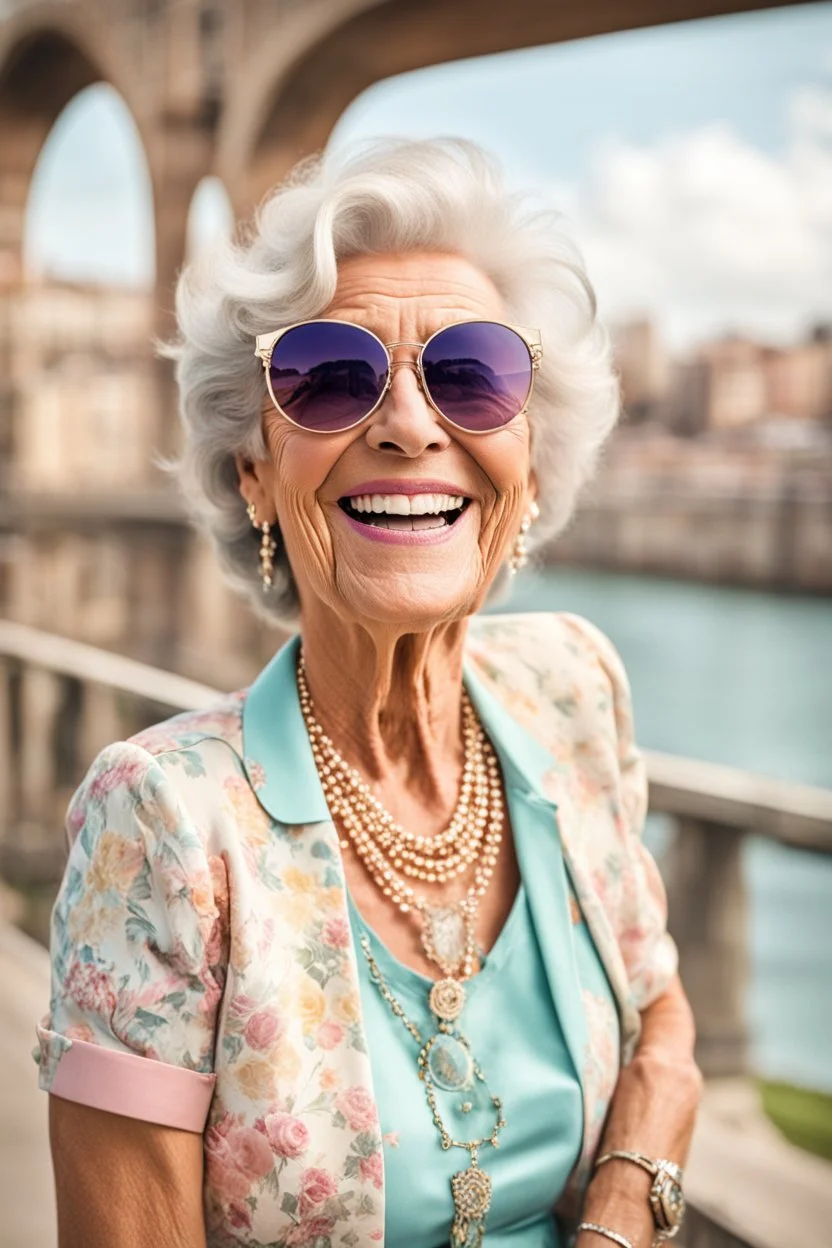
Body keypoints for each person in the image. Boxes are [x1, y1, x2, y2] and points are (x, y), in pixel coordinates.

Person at [36, 138, 701, 1248]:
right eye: (329, 375)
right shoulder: (160, 818)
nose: (407, 423)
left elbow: (659, 1006)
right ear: (253, 467)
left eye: (474, 373)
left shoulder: (572, 687)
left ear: (528, 462)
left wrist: (624, 1203)